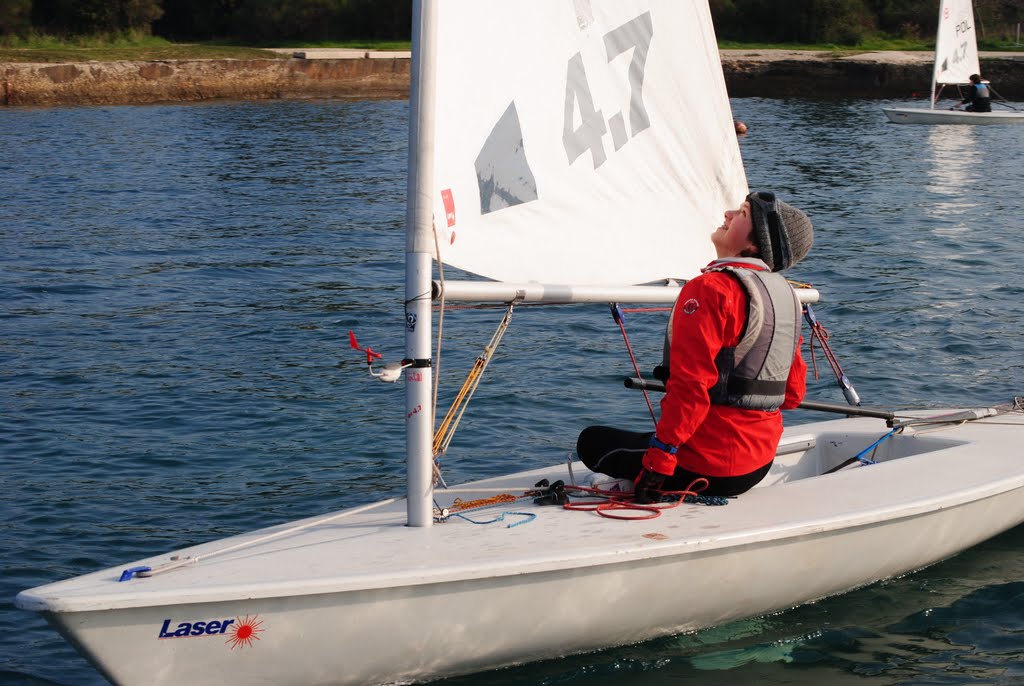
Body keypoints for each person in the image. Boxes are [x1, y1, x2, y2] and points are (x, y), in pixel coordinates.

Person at [576, 191, 813, 502]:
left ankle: (637, 479)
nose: (728, 214)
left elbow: (690, 387)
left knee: (592, 442)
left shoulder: (710, 289)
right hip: (757, 465)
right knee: (642, 439)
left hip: (707, 468)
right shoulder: (786, 296)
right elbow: (793, 395)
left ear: (755, 245)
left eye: (741, 214)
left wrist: (658, 462)